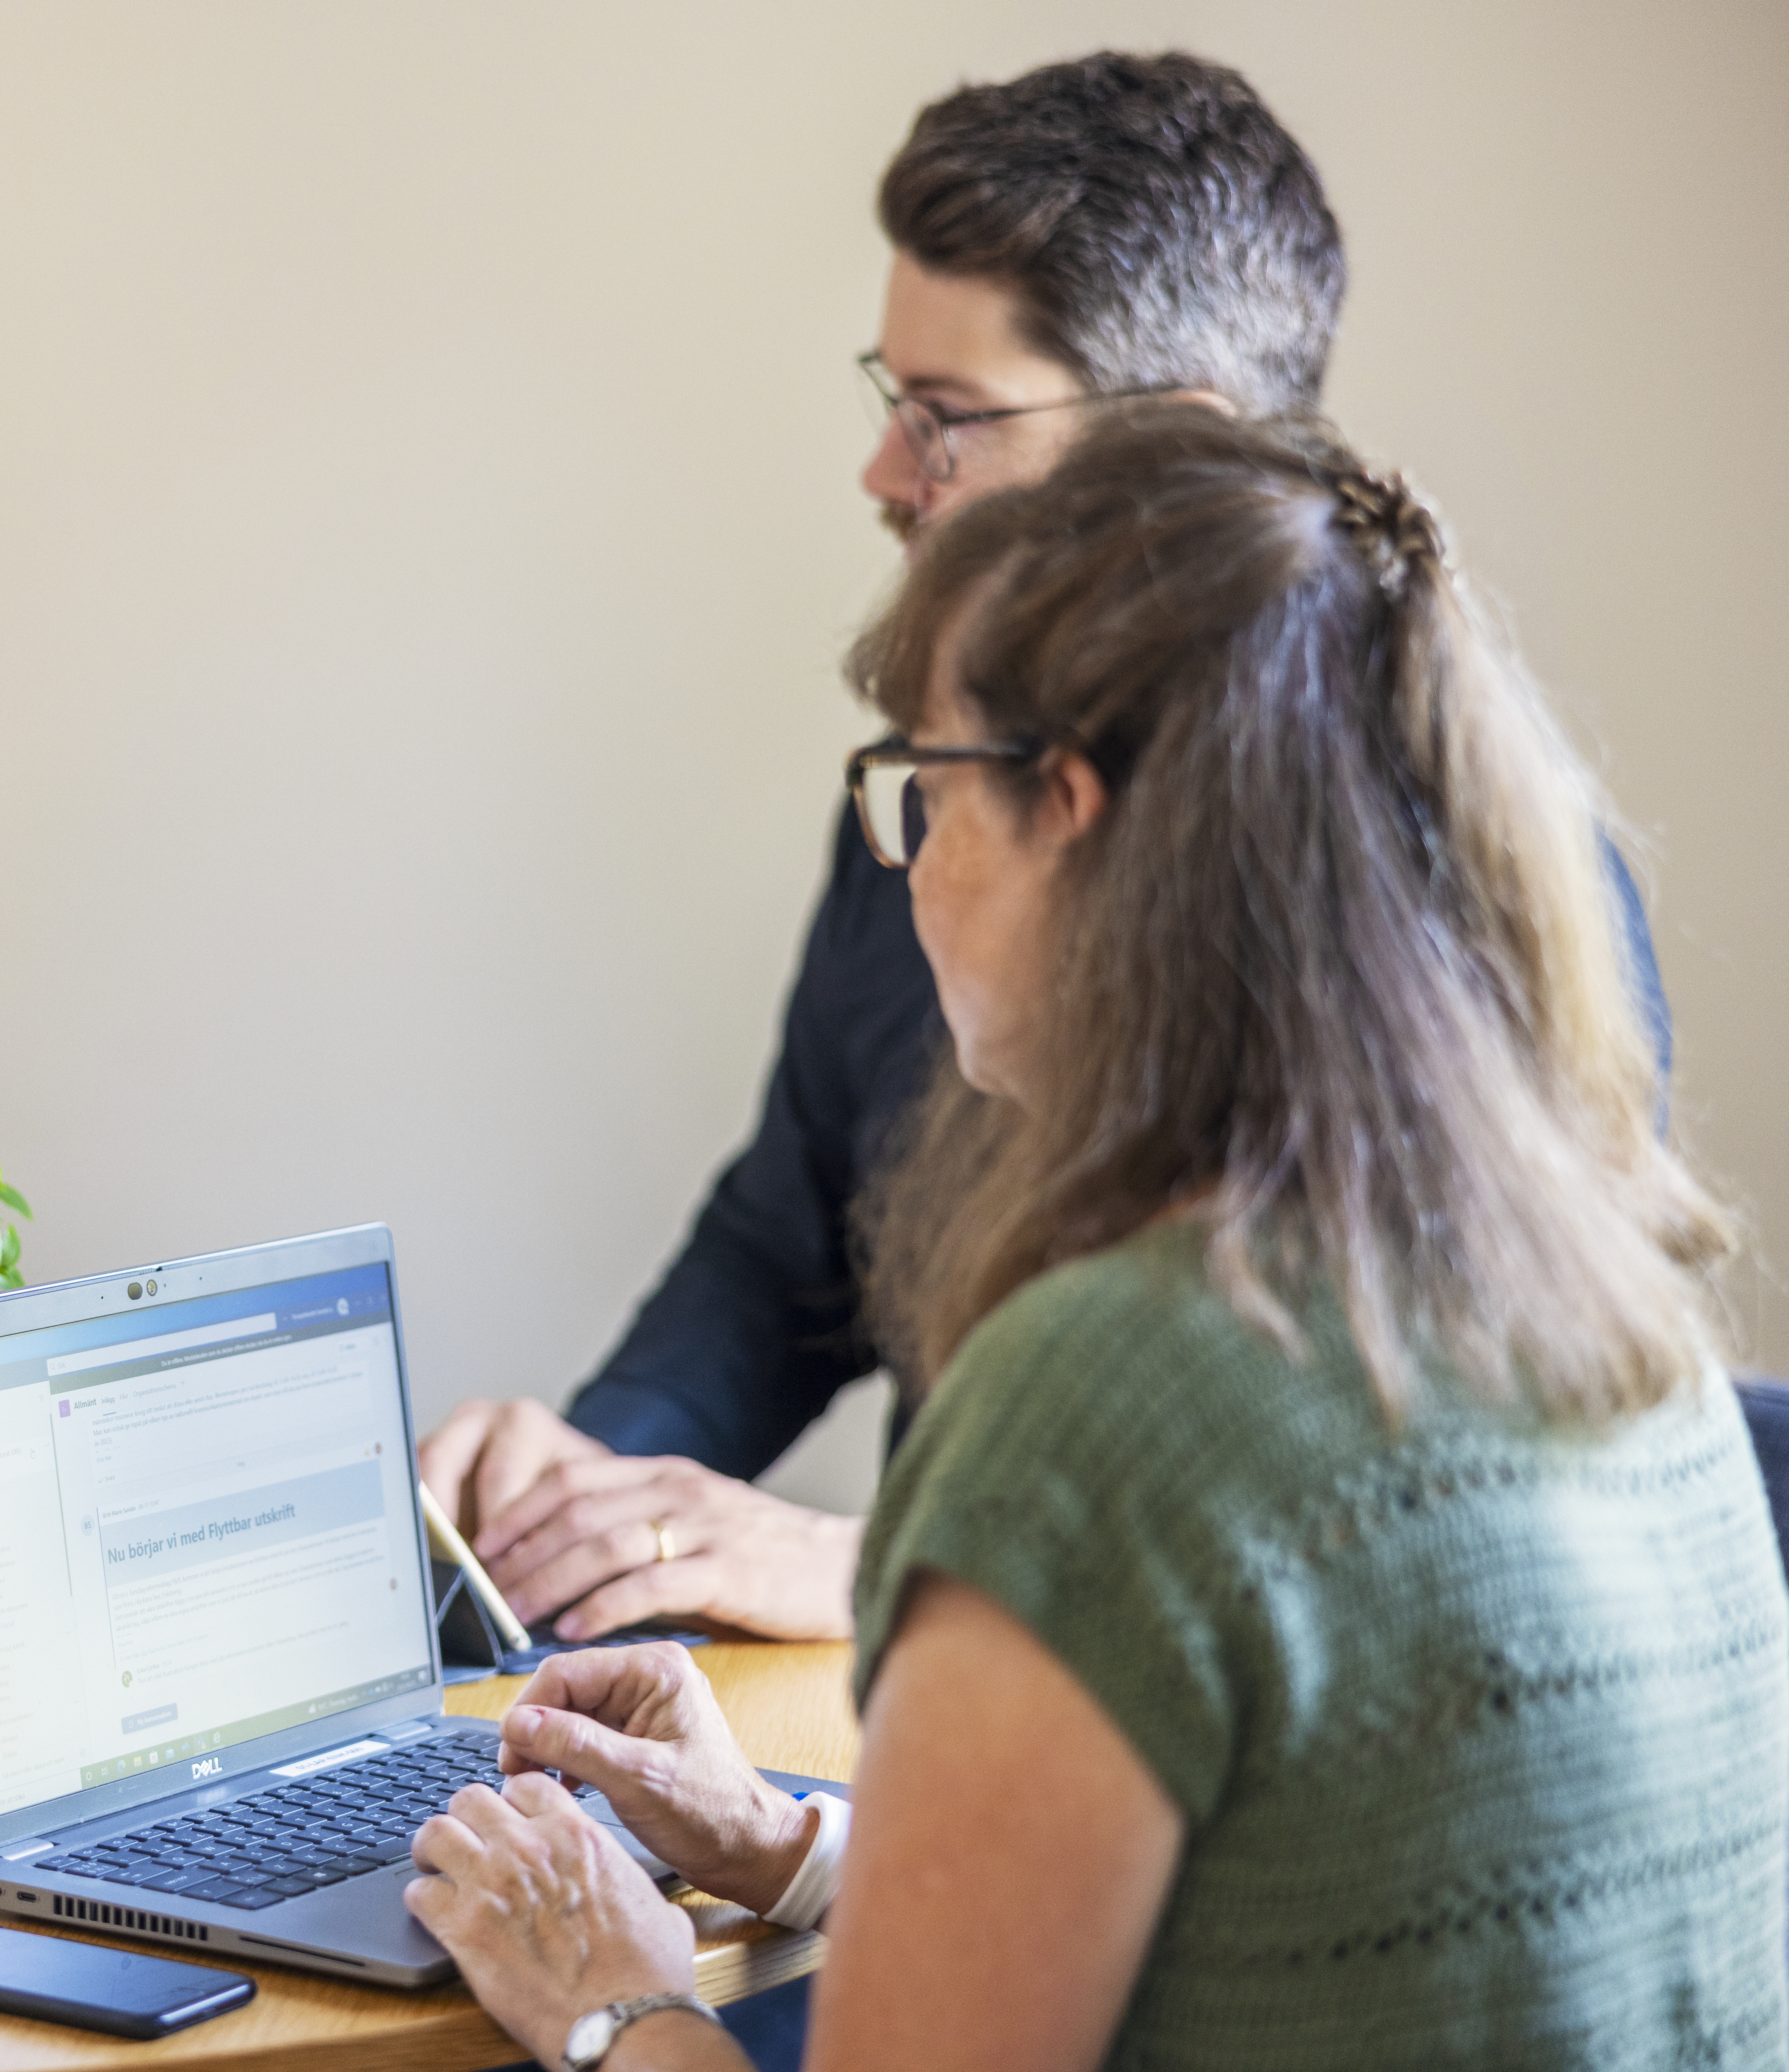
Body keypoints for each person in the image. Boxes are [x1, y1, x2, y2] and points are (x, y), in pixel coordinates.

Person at [401, 404, 1785, 2071]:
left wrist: (612, 1997)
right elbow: (1291, 1919)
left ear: (1062, 810)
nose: (905, 866)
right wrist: (790, 1846)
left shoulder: (1108, 1396)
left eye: (921, 790)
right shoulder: (1605, 1322)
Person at [416, 52, 1671, 1647]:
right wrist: (576, 1505)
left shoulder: (1467, 887)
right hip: (910, 1737)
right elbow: (786, 1248)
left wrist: (883, 1566)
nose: (885, 476)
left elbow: (1422, 1498)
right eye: (891, 406)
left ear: (1174, 451)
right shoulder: (933, 807)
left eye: (946, 420)